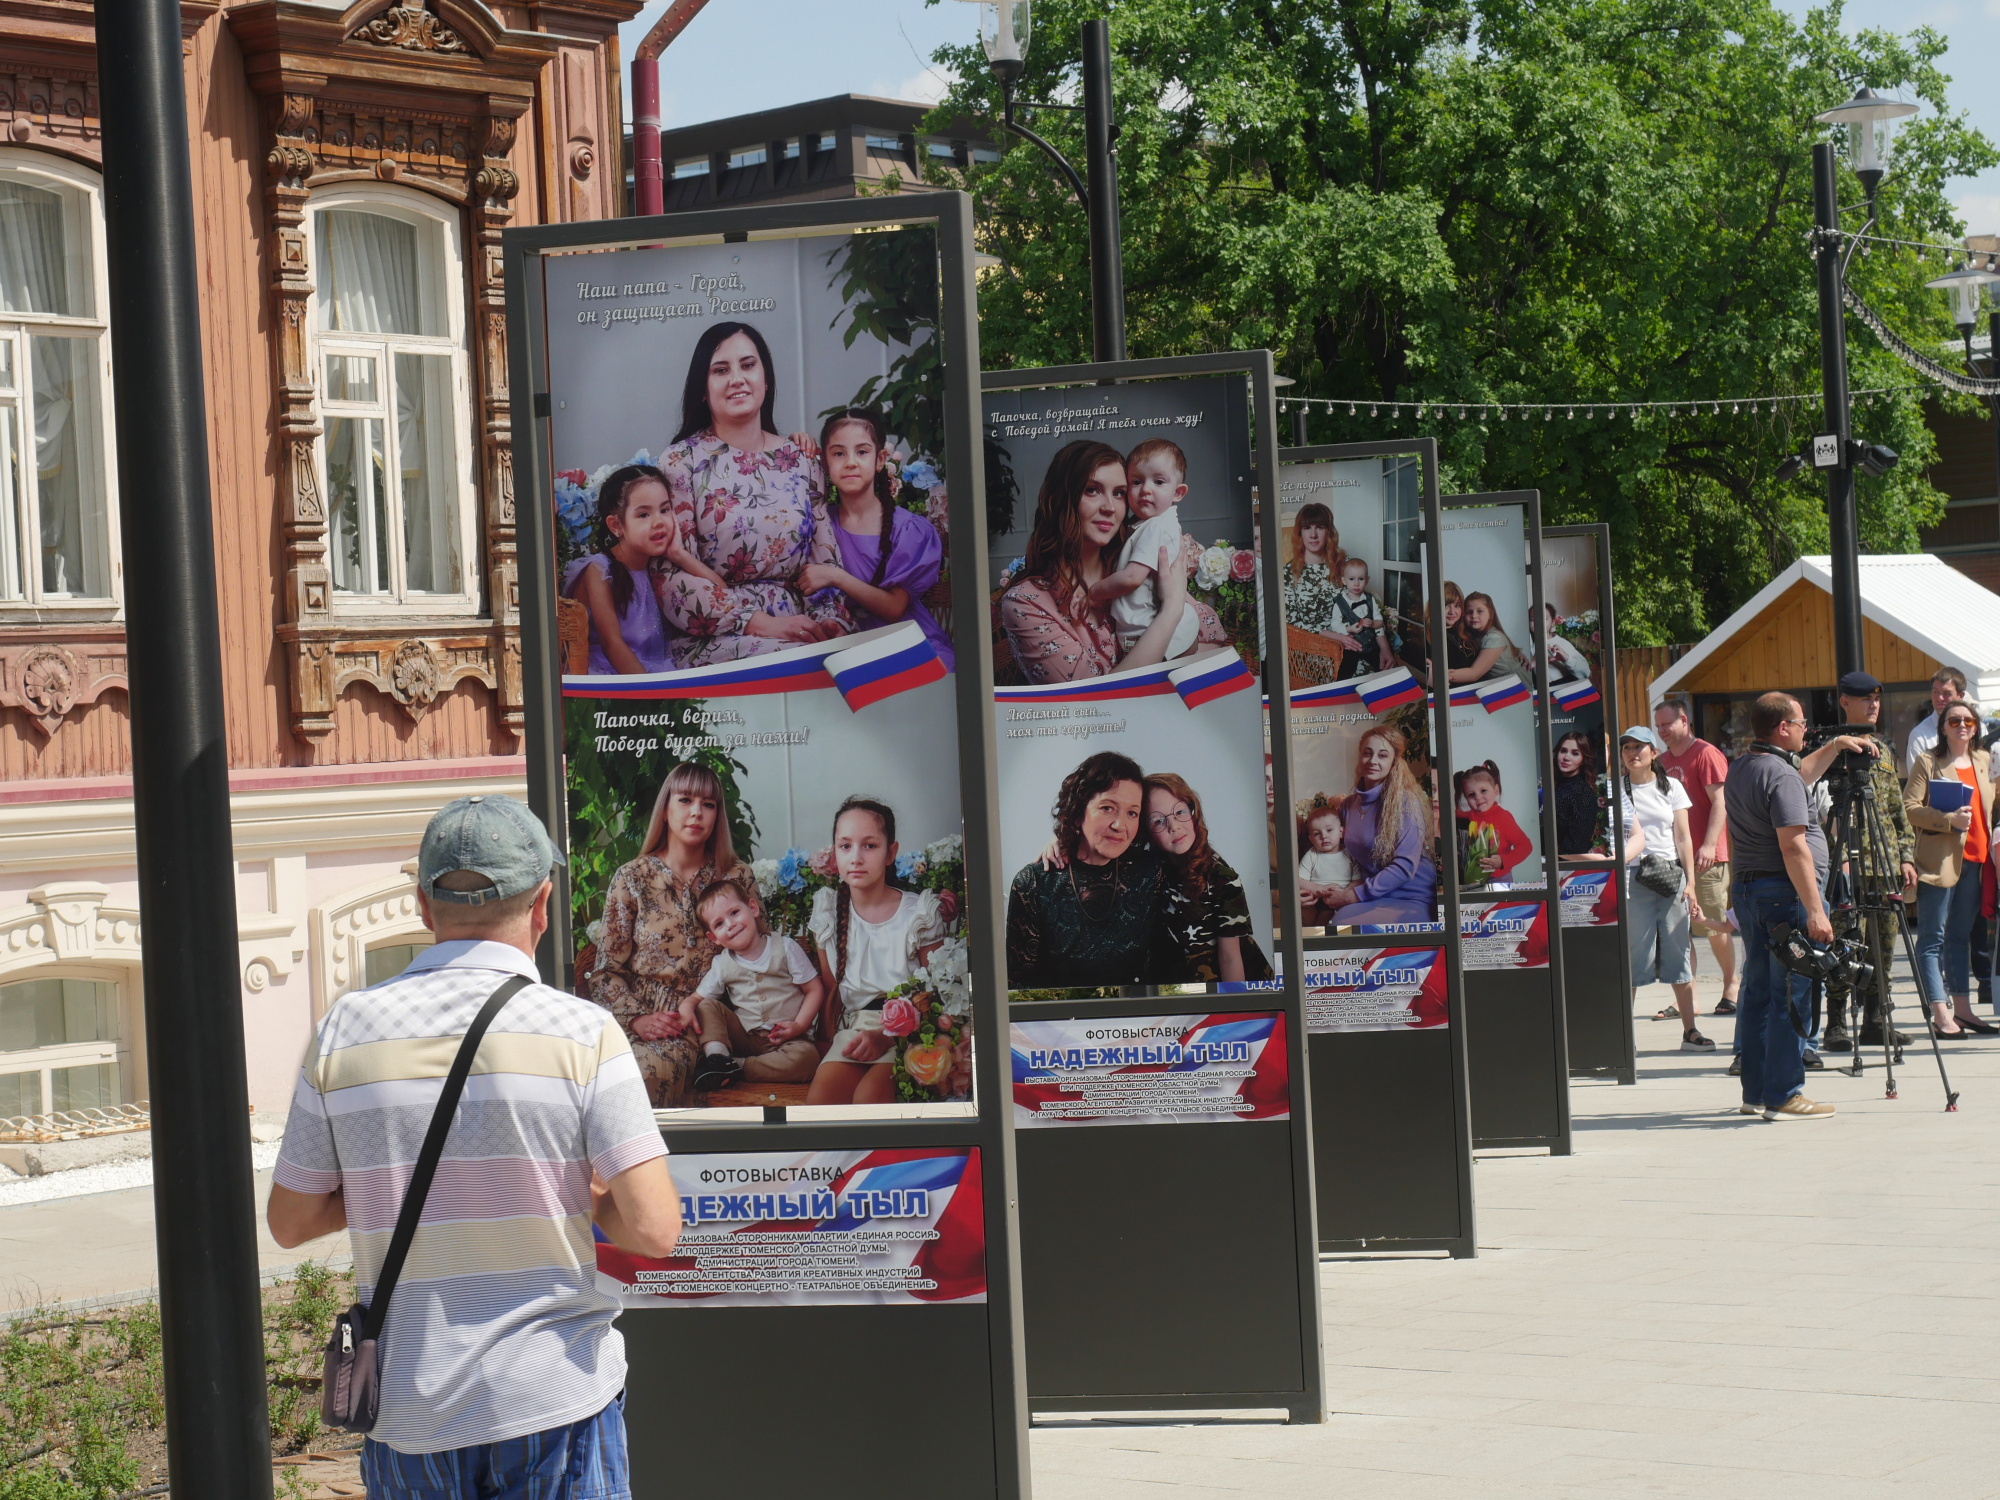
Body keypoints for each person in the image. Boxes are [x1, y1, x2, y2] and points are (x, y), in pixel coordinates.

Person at [268, 794, 681, 1498]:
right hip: (556, 1402)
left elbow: (291, 1221)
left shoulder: (345, 1030)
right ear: (543, 904)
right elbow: (654, 1229)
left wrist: (383, 1186)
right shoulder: (584, 1033)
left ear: (425, 906)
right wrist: (571, 1190)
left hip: (410, 1415)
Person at [654, 321, 853, 665]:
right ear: (703, 388)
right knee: (800, 662)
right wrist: (765, 625)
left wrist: (830, 621)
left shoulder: (802, 461)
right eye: (720, 370)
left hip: (803, 627)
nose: (737, 378)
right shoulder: (679, 463)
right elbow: (670, 580)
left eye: (748, 365)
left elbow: (825, 562)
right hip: (720, 635)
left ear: (766, 379)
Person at [1723, 692, 1873, 1118]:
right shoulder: (1780, 776)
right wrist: (1815, 909)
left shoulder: (1746, 766)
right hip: (1783, 896)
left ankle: (1755, 1093)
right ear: (1782, 728)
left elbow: (1799, 775)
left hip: (1751, 892)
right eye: (1802, 723)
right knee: (1792, 992)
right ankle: (1785, 1093)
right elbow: (1793, 848)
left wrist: (1836, 745)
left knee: (1757, 994)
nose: (1807, 729)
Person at [997, 441, 1222, 682]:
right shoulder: (1026, 602)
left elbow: (1215, 647)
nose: (1110, 507)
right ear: (1060, 498)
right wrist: (1171, 611)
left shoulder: (1133, 562)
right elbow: (1093, 704)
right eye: (1092, 490)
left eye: (1119, 493)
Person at [590, 763, 739, 1107]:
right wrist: (637, 1019)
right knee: (597, 1075)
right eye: (685, 800)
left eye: (709, 804)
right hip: (638, 1017)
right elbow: (604, 973)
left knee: (648, 1071)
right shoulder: (632, 878)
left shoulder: (734, 876)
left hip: (708, 1021)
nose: (697, 813)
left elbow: (760, 955)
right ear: (666, 808)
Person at [807, 796, 948, 1104]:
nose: (856, 857)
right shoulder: (828, 915)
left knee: (869, 1099)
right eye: (845, 846)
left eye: (869, 846)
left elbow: (940, 997)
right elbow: (832, 994)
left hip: (911, 1036)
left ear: (890, 853)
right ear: (834, 853)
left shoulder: (918, 916)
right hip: (855, 1031)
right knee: (821, 1102)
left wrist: (885, 1038)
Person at [797, 407, 954, 671]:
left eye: (861, 452)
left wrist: (835, 576)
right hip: (844, 643)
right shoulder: (820, 523)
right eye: (838, 453)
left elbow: (894, 608)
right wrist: (796, 444)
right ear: (823, 462)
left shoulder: (908, 529)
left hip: (907, 644)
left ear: (880, 459)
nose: (850, 462)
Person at [1005, 750, 1172, 985]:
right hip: (1058, 1021)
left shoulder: (1151, 872)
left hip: (1139, 1020)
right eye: (1107, 808)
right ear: (1077, 811)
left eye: (1132, 813)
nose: (1119, 825)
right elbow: (1018, 988)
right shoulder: (1034, 884)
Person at [1820, 670, 1918, 1052]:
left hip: (1885, 862)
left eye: (1877, 699)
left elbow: (1896, 808)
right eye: (1865, 699)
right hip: (1848, 862)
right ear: (1845, 701)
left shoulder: (1883, 749)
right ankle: (1836, 1023)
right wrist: (1840, 857)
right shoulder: (1832, 750)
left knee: (1885, 944)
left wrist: (1906, 856)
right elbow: (1824, 812)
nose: (1873, 705)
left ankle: (1877, 1020)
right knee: (1846, 942)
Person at [562, 464, 717, 675]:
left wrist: (679, 554)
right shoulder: (598, 571)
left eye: (665, 510)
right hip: (613, 675)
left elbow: (720, 597)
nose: (659, 522)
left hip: (654, 668)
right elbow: (611, 643)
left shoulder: (660, 566)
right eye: (644, 515)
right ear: (616, 525)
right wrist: (651, 696)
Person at [1905, 698, 1996, 1039]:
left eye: (1968, 721)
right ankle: (1941, 1015)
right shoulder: (1928, 761)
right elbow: (1910, 807)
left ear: (1976, 728)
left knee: (1959, 938)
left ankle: (1963, 1011)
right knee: (1931, 939)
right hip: (1939, 862)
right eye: (1954, 720)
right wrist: (1947, 820)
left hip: (1976, 862)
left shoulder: (1984, 761)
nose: (1962, 726)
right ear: (1942, 726)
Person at [1619, 726, 1712, 1051]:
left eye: (1639, 747)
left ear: (1653, 753)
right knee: (1633, 955)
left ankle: (1690, 1031)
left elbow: (1684, 837)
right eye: (1627, 747)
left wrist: (1691, 883)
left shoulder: (1670, 786)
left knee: (1678, 951)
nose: (1632, 753)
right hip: (1630, 878)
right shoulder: (1615, 790)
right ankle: (1623, 1038)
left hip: (1670, 877)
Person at [687, 876, 825, 1091]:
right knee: (706, 1006)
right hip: (745, 1038)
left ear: (753, 908)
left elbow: (814, 989)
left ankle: (736, 1067)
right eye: (720, 924)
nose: (731, 924)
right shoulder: (722, 964)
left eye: (734, 913)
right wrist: (686, 1006)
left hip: (788, 1038)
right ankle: (717, 1057)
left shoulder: (785, 948)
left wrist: (799, 1025)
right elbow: (698, 999)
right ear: (714, 938)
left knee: (807, 1059)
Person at [1142, 771, 1270, 984]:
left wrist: (1232, 1010)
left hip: (1224, 981)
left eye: (1180, 812)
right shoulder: (1149, 865)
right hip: (1178, 982)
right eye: (1158, 821)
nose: (1174, 826)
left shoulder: (1223, 878)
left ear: (1193, 812)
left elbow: (1230, 958)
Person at [1655, 700, 1737, 1016]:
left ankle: (1732, 985)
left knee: (1714, 925)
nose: (1661, 731)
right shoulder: (1660, 761)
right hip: (1673, 860)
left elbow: (1721, 802)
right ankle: (1688, 998)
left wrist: (1708, 844)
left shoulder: (1706, 754)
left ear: (1684, 721)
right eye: (1658, 726)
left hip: (1707, 858)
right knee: (1680, 931)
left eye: (1666, 724)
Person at [1089, 438, 1201, 662]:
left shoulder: (1158, 526)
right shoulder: (1148, 524)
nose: (1146, 490)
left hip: (1154, 631)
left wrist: (1092, 592)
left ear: (1178, 493)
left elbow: (1132, 578)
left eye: (1158, 482)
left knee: (1146, 689)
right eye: (1137, 481)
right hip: (1159, 629)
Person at [1316, 725, 1439, 925]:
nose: (1373, 761)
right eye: (1367, 753)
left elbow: (1404, 867)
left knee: (1340, 926)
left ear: (1393, 762)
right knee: (1329, 922)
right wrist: (1321, 889)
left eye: (1382, 755)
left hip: (1410, 897)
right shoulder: (1348, 805)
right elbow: (1341, 855)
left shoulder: (1405, 802)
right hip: (1372, 895)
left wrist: (1350, 896)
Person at [1454, 760, 1533, 886]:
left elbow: (1526, 846)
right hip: (1475, 878)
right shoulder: (1471, 815)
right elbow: (1456, 814)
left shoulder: (1504, 817)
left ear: (1496, 790)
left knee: (1500, 906)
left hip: (1499, 878)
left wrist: (1503, 861)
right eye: (1471, 794)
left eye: (1483, 791)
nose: (1478, 797)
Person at [1326, 557, 1397, 678]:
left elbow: (1380, 622)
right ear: (1344, 580)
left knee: (1384, 669)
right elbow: (1335, 624)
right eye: (1351, 579)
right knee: (1345, 672)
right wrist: (1349, 629)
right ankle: (1343, 692)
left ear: (1367, 580)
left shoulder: (1370, 599)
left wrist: (1372, 624)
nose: (1356, 583)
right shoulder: (1340, 602)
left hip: (1371, 645)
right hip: (1352, 647)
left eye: (1361, 579)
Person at [1903, 666, 1968, 772]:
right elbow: (1916, 782)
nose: (1939, 698)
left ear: (1961, 695)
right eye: (1936, 692)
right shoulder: (1919, 735)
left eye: (1946, 694)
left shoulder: (1975, 728)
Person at [1298, 797, 1357, 906]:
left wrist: (1344, 894)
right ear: (1311, 839)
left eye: (1329, 830)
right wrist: (1319, 888)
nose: (1324, 836)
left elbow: (1358, 881)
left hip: (1344, 899)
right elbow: (1299, 880)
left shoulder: (1349, 853)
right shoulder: (1312, 854)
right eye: (1317, 833)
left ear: (1341, 832)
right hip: (1317, 900)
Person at [1552, 731, 1602, 857]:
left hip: (1565, 866)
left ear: (1583, 760)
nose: (1566, 757)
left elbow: (1577, 846)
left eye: (1575, 753)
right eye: (1563, 751)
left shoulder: (1583, 793)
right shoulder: (1555, 785)